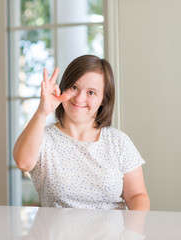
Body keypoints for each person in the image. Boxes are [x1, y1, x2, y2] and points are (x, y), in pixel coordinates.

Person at [13, 55, 150, 210]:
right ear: (63, 88)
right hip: (58, 234)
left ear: (103, 99)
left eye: (91, 92)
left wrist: (132, 233)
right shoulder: (43, 138)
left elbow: (136, 195)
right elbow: (23, 163)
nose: (79, 98)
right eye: (74, 87)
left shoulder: (118, 141)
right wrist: (42, 112)